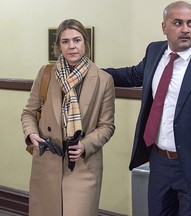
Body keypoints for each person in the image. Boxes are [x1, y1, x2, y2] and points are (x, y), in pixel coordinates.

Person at [104, 1, 191, 215]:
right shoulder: (154, 51)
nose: (186, 29)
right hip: (159, 161)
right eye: (178, 23)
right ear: (164, 27)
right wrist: (93, 73)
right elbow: (133, 75)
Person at [21, 19, 115, 216]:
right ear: (58, 47)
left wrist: (85, 145)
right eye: (65, 41)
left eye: (77, 40)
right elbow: (29, 112)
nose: (71, 46)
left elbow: (107, 126)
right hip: (47, 162)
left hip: (83, 165)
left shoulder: (103, 80)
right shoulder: (46, 73)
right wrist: (31, 135)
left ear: (85, 43)